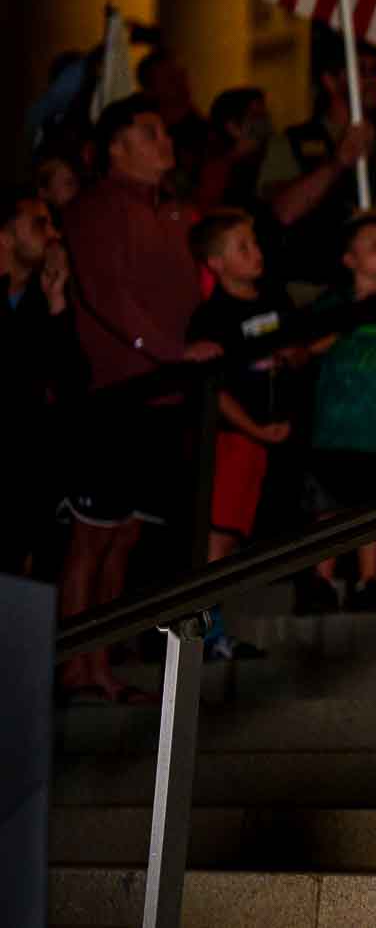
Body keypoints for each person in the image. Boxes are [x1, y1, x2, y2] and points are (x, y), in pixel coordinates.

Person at [58, 95, 221, 703]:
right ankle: (73, 664)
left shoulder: (167, 213)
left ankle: (99, 664)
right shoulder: (99, 206)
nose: (165, 142)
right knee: (92, 534)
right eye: (149, 132)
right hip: (115, 392)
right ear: (115, 147)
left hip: (160, 396)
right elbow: (106, 293)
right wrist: (167, 351)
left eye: (164, 130)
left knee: (124, 535)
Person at [187, 209, 302, 656]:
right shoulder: (210, 318)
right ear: (215, 263)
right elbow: (213, 392)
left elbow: (298, 350)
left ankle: (216, 631)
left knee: (238, 537)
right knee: (219, 535)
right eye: (242, 248)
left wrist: (294, 357)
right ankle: (207, 636)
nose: (256, 254)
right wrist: (253, 427)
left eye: (255, 244)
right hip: (236, 439)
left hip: (272, 438)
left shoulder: (276, 300)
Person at [299, 213, 376, 613]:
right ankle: (322, 580)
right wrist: (346, 319)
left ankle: (367, 581)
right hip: (334, 426)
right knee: (329, 505)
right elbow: (307, 348)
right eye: (371, 245)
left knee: (373, 507)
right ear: (349, 259)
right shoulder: (332, 303)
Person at [257, 29, 376, 291]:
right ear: (330, 81)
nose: (372, 80)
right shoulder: (293, 143)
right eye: (360, 71)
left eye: (375, 71)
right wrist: (337, 163)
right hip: (314, 291)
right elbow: (282, 212)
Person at [0, 190, 89, 577]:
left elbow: (73, 381)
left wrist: (57, 304)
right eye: (40, 224)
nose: (53, 234)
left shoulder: (44, 299)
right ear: (5, 236)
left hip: (24, 473)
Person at [136, 49, 209, 200]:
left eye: (181, 76)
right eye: (170, 79)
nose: (180, 84)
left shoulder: (209, 133)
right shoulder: (142, 137)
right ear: (150, 90)